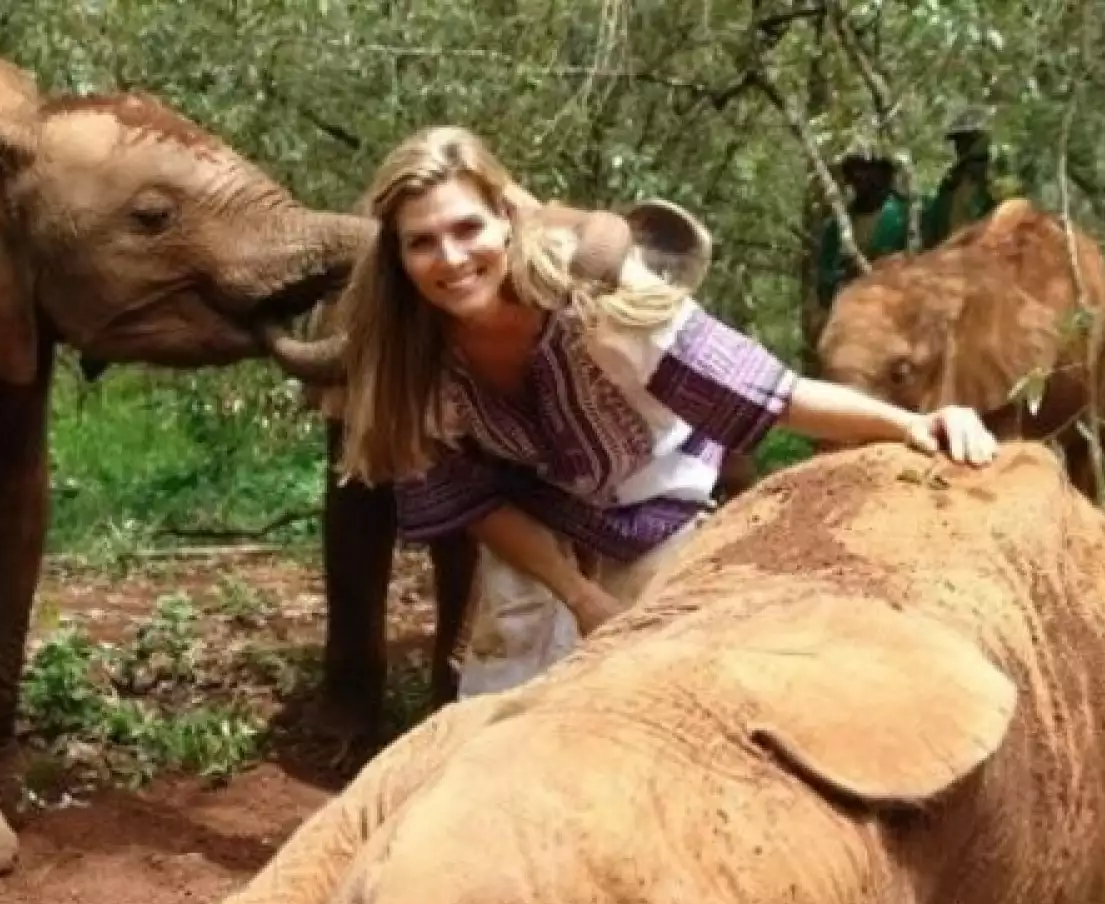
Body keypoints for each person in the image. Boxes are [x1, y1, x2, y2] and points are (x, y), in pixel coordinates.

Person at [332, 125, 999, 697]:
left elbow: (769, 393)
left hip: (659, 499)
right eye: (422, 242)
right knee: (500, 698)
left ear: (505, 219)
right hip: (535, 515)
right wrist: (578, 593)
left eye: (467, 227)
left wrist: (912, 424)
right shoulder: (404, 359)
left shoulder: (602, 297)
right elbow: (473, 498)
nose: (451, 258)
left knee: (658, 688)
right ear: (396, 256)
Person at [815, 151, 910, 310]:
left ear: (884, 173)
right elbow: (824, 284)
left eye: (866, 169)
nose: (858, 176)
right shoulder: (835, 228)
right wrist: (844, 277)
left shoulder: (908, 215)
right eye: (853, 169)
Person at [922, 107, 999, 248]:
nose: (960, 147)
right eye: (959, 142)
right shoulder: (951, 181)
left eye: (967, 141)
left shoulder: (996, 181)